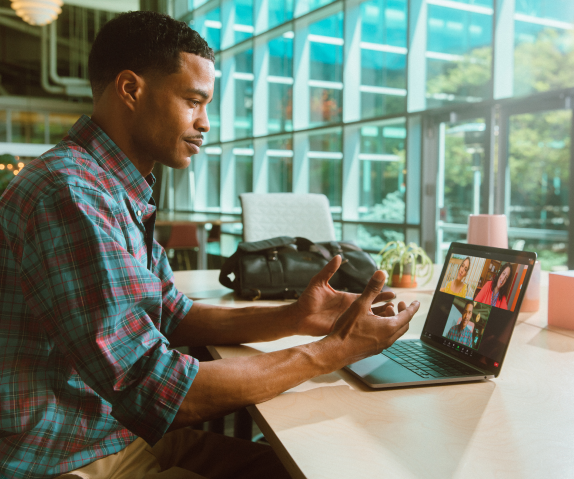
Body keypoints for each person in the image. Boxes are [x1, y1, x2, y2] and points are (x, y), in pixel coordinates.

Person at [0, 12, 421, 479]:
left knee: (314, 465)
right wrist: (334, 350)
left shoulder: (115, 187)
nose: (205, 123)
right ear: (130, 89)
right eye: (193, 101)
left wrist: (294, 317)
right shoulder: (69, 193)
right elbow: (155, 388)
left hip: (106, 433)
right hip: (65, 457)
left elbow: (170, 313)